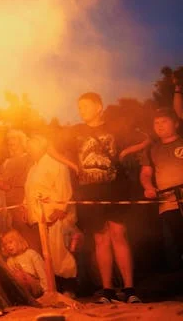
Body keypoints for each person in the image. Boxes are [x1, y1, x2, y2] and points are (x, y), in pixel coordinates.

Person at [51, 92, 149, 303]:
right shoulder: (76, 131)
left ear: (98, 107)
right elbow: (51, 148)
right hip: (89, 191)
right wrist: (74, 166)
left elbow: (145, 138)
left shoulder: (114, 127)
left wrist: (124, 153)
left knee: (118, 234)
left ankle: (130, 288)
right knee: (100, 239)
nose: (81, 111)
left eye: (85, 107)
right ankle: (108, 290)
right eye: (79, 108)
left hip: (114, 188)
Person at [24, 135, 78, 292]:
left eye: (31, 145)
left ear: (41, 145)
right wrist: (25, 207)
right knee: (47, 256)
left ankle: (69, 289)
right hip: (39, 218)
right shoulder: (34, 167)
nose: (28, 149)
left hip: (54, 215)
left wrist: (60, 209)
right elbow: (30, 189)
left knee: (60, 253)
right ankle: (53, 290)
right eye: (27, 146)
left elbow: (64, 186)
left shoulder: (56, 164)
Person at [140, 108, 183, 272]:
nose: (160, 126)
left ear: (176, 123)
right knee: (177, 246)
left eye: (164, 121)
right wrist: (149, 187)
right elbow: (145, 174)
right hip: (168, 205)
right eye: (156, 123)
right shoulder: (151, 150)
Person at [0, 129, 33, 236]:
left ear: (21, 141)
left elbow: (29, 179)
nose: (10, 142)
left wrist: (9, 185)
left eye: (13, 138)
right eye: (8, 140)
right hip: (6, 207)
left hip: (22, 204)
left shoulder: (28, 158)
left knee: (27, 236)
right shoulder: (6, 162)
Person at [1, 229, 48, 298]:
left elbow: (42, 274)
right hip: (21, 289)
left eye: (10, 242)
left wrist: (46, 291)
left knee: (19, 275)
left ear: (18, 241)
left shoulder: (31, 254)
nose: (8, 246)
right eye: (5, 244)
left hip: (36, 286)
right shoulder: (10, 261)